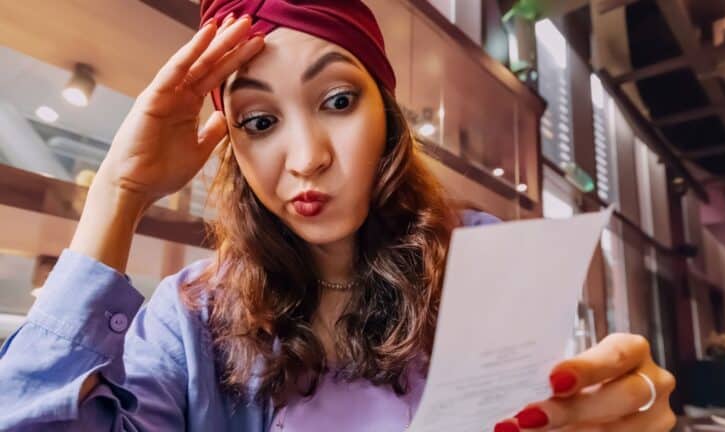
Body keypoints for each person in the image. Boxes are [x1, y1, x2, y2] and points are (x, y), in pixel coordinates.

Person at [0, 1, 676, 430]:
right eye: (259, 121)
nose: (306, 159)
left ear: (387, 113)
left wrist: (611, 411)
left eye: (338, 101)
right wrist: (119, 192)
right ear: (234, 143)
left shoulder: (478, 260)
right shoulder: (192, 318)